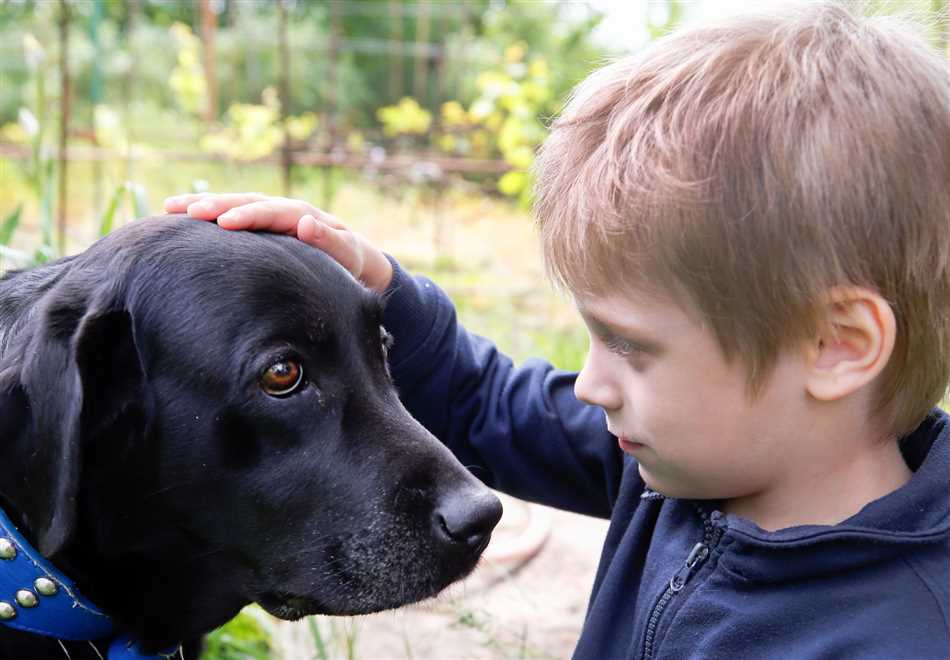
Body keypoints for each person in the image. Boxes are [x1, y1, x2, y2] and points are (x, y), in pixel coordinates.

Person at [163, 3, 950, 657]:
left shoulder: (895, 636)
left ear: (836, 346)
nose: (593, 384)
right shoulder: (683, 460)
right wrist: (379, 288)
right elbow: (484, 405)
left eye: (631, 347)